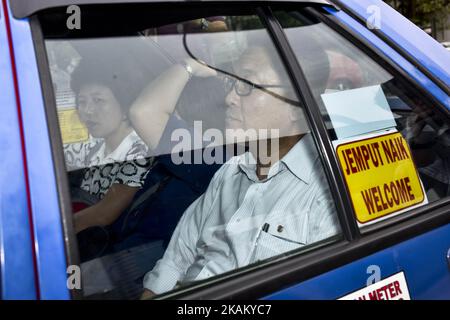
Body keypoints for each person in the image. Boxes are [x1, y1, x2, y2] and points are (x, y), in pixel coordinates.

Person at [130, 37, 340, 298]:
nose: (229, 98)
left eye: (247, 85)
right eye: (232, 83)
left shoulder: (329, 193)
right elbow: (175, 262)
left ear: (296, 107)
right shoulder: (229, 173)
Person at [64, 56, 154, 235]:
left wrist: (56, 231)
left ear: (125, 106)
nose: (87, 111)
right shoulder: (92, 149)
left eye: (98, 100)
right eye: (82, 102)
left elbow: (104, 214)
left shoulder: (140, 152)